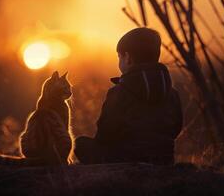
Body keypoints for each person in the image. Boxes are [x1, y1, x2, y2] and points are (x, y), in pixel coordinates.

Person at [74, 28, 183, 165]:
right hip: (163, 160)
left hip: (123, 160)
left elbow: (104, 135)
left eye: (119, 57)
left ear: (128, 58)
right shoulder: (172, 94)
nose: (119, 62)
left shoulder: (118, 93)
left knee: (80, 144)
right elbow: (175, 129)